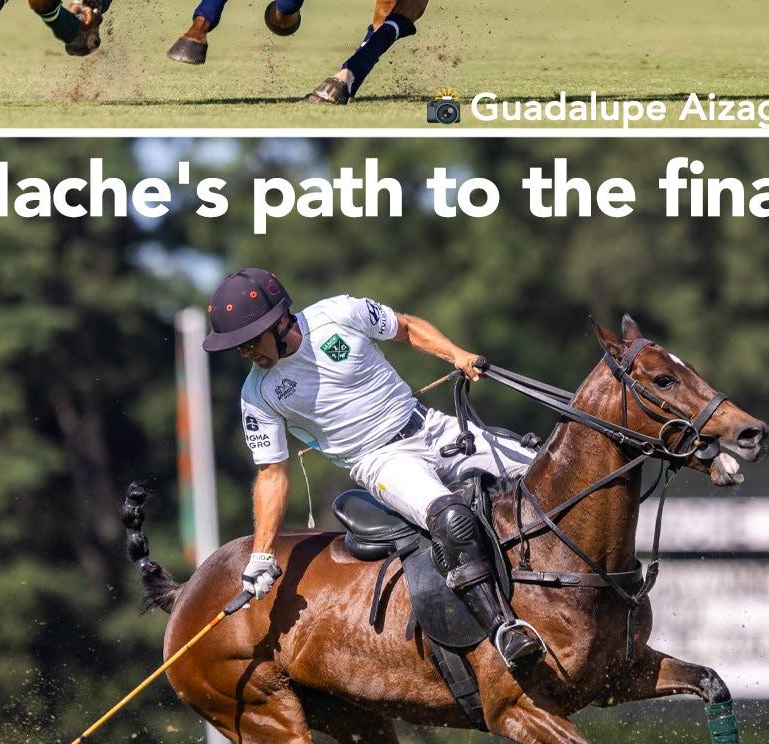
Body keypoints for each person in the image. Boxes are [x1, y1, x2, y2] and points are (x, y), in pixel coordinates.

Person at [202, 268, 544, 675]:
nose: (247, 354)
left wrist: (456, 354)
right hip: (381, 462)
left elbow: (407, 328)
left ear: (278, 322)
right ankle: (504, 631)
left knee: (544, 468)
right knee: (451, 519)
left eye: (250, 341)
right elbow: (272, 474)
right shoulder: (257, 395)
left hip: (430, 426)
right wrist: (261, 555)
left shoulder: (340, 314)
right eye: (238, 348)